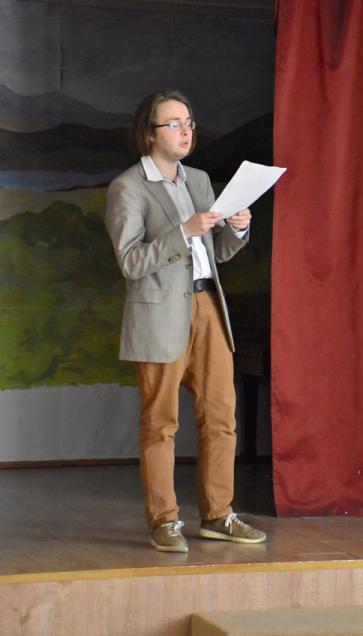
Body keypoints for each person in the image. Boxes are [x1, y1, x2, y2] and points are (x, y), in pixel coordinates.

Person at [105, 90, 266, 552]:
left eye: (189, 123)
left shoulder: (199, 180)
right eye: (174, 124)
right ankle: (165, 521)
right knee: (161, 423)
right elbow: (131, 262)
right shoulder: (128, 187)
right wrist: (183, 232)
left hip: (208, 305)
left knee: (221, 416)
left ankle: (219, 514)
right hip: (159, 312)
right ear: (149, 133)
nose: (185, 131)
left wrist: (237, 227)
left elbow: (217, 254)